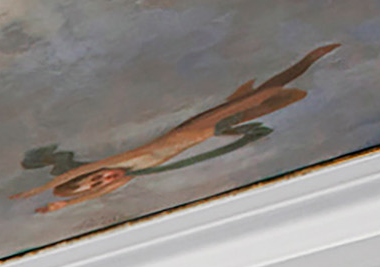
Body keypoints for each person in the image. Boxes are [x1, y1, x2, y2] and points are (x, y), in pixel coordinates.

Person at [23, 45, 336, 212]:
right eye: (99, 182)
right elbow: (101, 191)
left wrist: (36, 192)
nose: (105, 178)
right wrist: (68, 204)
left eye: (96, 176)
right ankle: (305, 66)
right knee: (267, 103)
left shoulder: (127, 160)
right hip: (210, 133)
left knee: (260, 97)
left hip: (198, 128)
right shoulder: (126, 177)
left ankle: (309, 59)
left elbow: (70, 176)